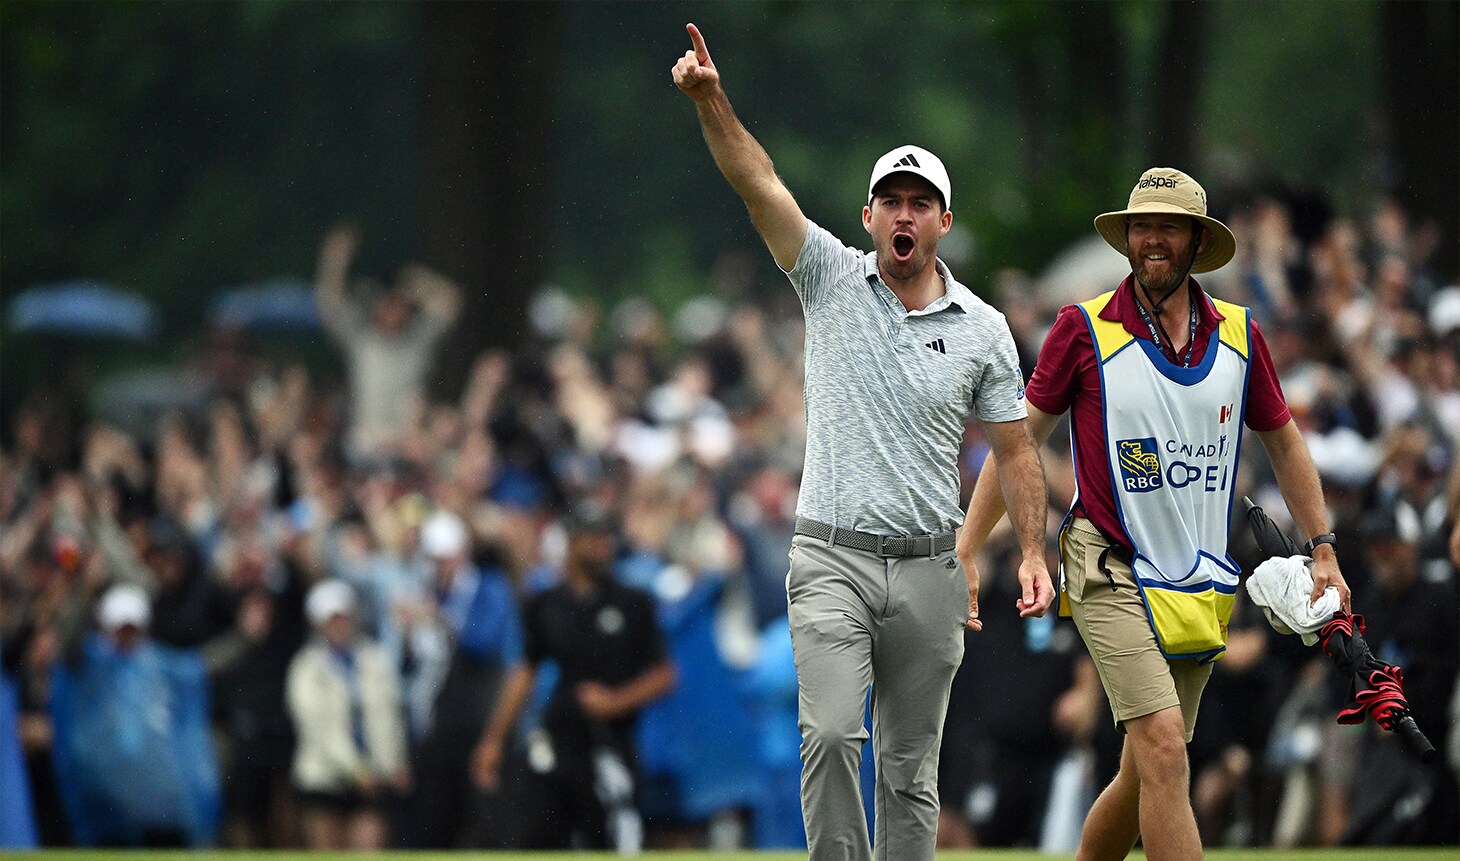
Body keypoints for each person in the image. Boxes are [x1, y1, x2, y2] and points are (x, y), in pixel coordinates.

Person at [672, 24, 1052, 861]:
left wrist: (1028, 548)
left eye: (921, 202)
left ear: (943, 220)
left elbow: (1017, 450)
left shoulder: (985, 329)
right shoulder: (829, 278)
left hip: (931, 566)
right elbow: (758, 181)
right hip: (831, 558)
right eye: (893, 200)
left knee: (910, 771)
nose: (905, 214)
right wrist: (712, 101)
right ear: (869, 216)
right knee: (836, 735)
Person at [956, 167, 1353, 860]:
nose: (1152, 240)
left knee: (1145, 768)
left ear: (1197, 242)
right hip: (1105, 561)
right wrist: (968, 546)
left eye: (1168, 226)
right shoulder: (1081, 328)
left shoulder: (1240, 334)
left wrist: (1322, 545)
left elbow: (1285, 443)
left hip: (1199, 580)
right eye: (1141, 226)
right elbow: (1018, 445)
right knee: (1167, 746)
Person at [471, 503, 676, 851]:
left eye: (606, 538)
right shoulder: (545, 604)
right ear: (572, 542)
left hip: (612, 741)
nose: (602, 546)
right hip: (558, 737)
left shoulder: (632, 602)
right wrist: (494, 739)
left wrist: (615, 702)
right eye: (593, 537)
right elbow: (525, 671)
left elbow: (664, 675)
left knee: (612, 837)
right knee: (538, 837)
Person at [313, 224, 463, 459]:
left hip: (408, 446)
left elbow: (451, 302)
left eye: (398, 303)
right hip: (367, 445)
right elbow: (329, 305)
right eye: (388, 303)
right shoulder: (363, 341)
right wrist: (334, 260)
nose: (393, 310)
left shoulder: (417, 341)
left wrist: (414, 280)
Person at [285, 579, 408, 850]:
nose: (339, 625)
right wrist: (357, 771)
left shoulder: (374, 658)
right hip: (325, 778)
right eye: (332, 619)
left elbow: (390, 716)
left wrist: (396, 761)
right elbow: (318, 731)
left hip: (374, 777)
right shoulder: (306, 668)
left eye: (343, 617)